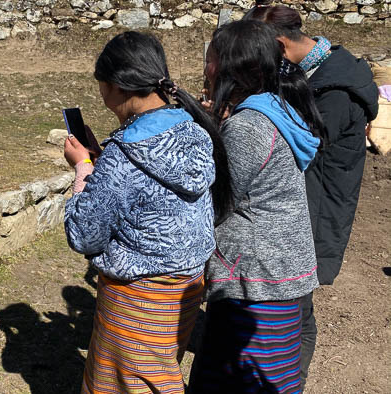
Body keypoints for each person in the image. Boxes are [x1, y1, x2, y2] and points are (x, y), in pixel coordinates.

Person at [63, 31, 232, 393]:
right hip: (187, 285)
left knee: (137, 383)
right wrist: (103, 160)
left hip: (138, 293)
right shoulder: (194, 128)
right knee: (158, 368)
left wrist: (83, 169)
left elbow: (83, 233)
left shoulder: (125, 157)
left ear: (118, 86)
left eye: (102, 85)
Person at [244, 6, 379, 387]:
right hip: (304, 204)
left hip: (315, 211)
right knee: (290, 306)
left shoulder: (336, 91)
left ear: (278, 44)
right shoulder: (310, 74)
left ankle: (289, 381)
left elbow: (299, 148)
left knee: (297, 310)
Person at [188, 20, 324, 393]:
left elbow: (216, 197)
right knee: (268, 375)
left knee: (241, 378)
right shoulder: (274, 105)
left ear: (230, 66)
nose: (206, 65)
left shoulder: (250, 126)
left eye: (211, 57)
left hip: (256, 277)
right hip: (280, 266)